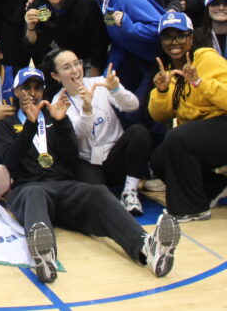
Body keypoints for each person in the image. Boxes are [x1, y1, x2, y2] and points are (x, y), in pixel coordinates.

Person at [0, 64, 180, 285]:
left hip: (62, 185)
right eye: (26, 88)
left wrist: (62, 124)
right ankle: (45, 257)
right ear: (16, 92)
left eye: (37, 88)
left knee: (98, 192)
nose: (32, 94)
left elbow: (71, 157)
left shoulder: (54, 117)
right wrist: (30, 127)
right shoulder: (5, 125)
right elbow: (11, 161)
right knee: (35, 192)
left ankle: (147, 247)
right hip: (26, 188)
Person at [148, 11, 227, 221]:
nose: (174, 42)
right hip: (205, 136)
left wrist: (200, 82)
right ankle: (215, 187)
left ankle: (191, 208)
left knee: (178, 137)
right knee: (160, 157)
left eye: (180, 36)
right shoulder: (171, 72)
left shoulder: (206, 58)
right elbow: (157, 114)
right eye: (168, 37)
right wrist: (162, 91)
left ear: (191, 38)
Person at [48, 49, 150, 215]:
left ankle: (130, 191)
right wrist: (87, 109)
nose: (75, 70)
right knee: (97, 202)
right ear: (56, 76)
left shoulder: (100, 83)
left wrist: (116, 89)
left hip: (114, 156)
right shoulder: (58, 101)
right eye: (67, 67)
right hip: (88, 161)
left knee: (139, 133)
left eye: (77, 63)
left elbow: (133, 106)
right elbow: (77, 135)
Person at [79, 0, 163, 112]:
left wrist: (129, 26)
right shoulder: (98, 2)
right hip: (135, 58)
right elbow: (118, 40)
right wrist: (106, 75)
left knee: (141, 110)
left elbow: (162, 29)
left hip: (158, 60)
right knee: (117, 105)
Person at [24, 0, 109, 77]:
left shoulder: (85, 3)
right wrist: (30, 27)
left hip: (87, 61)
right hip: (57, 66)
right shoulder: (36, 6)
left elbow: (100, 42)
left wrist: (95, 73)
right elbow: (32, 47)